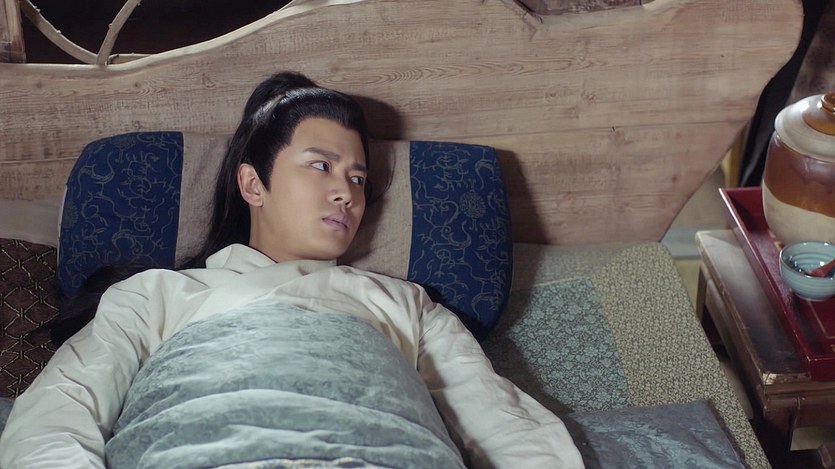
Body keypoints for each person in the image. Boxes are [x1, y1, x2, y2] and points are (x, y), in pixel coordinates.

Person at [0, 72, 584, 469]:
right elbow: (57, 415)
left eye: (358, 177)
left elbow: (499, 421)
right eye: (321, 166)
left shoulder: (405, 303)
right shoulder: (156, 294)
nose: (346, 192)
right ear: (253, 183)